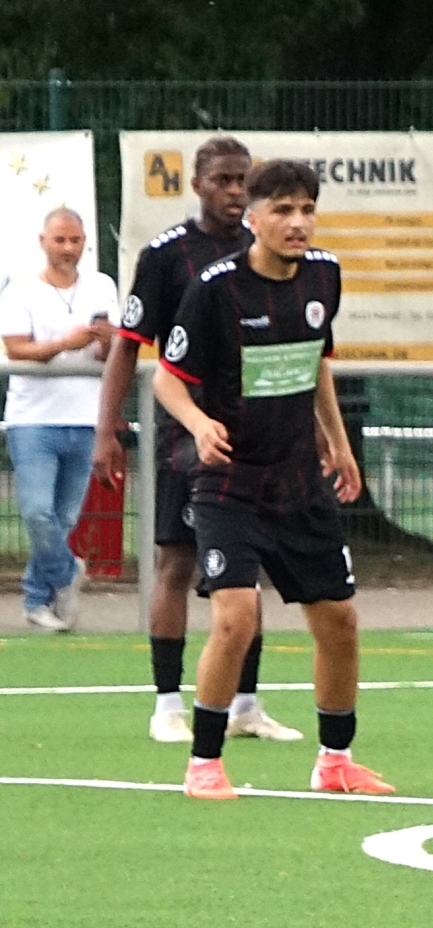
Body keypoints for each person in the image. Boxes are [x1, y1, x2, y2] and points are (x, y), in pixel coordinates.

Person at [150, 160, 390, 801]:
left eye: (306, 209)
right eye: (283, 210)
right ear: (253, 219)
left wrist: (337, 442)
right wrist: (199, 423)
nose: (298, 222)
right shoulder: (216, 289)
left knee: (339, 620)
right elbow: (167, 379)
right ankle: (204, 764)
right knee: (237, 616)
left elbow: (316, 362)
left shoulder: (324, 274)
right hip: (229, 483)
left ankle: (335, 761)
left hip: (299, 484)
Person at [95, 137, 296, 742]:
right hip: (186, 433)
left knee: (246, 567)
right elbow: (129, 345)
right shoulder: (166, 256)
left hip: (254, 435)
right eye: (223, 180)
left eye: (243, 181)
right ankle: (166, 705)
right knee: (177, 561)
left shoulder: (261, 250)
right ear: (197, 185)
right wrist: (107, 428)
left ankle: (245, 707)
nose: (235, 191)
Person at [0, 208, 120, 630]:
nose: (68, 249)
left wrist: (106, 343)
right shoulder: (21, 290)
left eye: (75, 240)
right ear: (43, 242)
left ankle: (38, 600)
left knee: (65, 517)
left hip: (86, 416)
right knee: (37, 511)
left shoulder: (102, 285)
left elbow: (112, 354)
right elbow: (16, 349)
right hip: (32, 418)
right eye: (60, 240)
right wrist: (64, 344)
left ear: (85, 241)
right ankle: (67, 572)